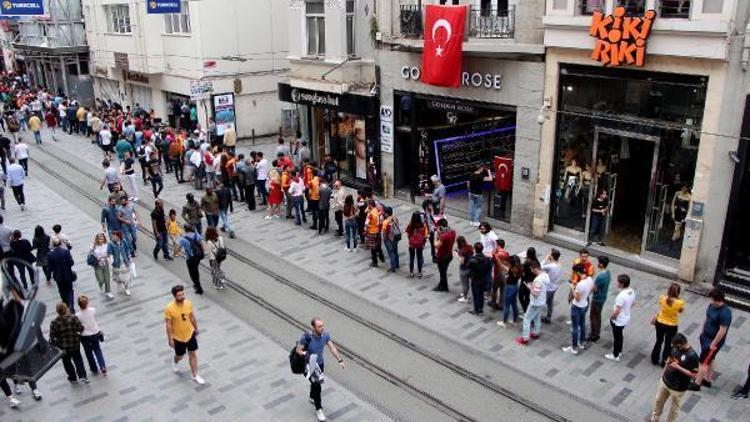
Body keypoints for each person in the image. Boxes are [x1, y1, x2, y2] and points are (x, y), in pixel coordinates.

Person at [295, 317, 345, 422]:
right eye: (319, 326)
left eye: (323, 325)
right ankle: (319, 409)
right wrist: (307, 355)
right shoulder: (306, 337)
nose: (322, 328)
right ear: (313, 327)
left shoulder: (325, 335)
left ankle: (312, 397)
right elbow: (298, 350)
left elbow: (332, 348)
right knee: (317, 387)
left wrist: (340, 360)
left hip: (320, 365)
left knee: (315, 384)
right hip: (310, 365)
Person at [649, 333, 698, 422]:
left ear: (681, 344)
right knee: (658, 401)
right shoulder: (675, 349)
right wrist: (663, 373)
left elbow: (694, 375)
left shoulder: (692, 356)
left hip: (678, 387)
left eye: (676, 346)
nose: (675, 348)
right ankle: (654, 419)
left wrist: (678, 367)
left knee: (674, 408)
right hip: (666, 381)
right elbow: (669, 360)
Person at [690, 288, 732, 391]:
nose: (711, 301)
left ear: (718, 300)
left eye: (712, 299)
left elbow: (722, 331)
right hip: (705, 337)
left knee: (703, 362)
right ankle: (708, 380)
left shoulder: (725, 313)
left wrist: (713, 344)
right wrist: (702, 331)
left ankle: (697, 383)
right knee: (710, 359)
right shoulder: (711, 306)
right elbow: (707, 318)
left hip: (713, 341)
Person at [165, 285, 205, 385]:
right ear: (175, 296)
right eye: (179, 295)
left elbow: (191, 317)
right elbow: (168, 325)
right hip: (178, 337)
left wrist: (196, 328)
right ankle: (175, 361)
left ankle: (195, 375)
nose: (182, 297)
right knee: (180, 355)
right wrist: (170, 339)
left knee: (192, 353)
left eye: (183, 294)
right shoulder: (169, 308)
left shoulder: (188, 303)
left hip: (189, 333)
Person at [49, 302, 88, 384]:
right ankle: (82, 376)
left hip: (62, 347)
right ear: (66, 309)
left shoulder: (54, 322)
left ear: (57, 311)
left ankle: (72, 377)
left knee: (67, 363)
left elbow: (52, 336)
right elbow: (80, 329)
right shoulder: (73, 318)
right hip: (74, 343)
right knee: (78, 360)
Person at [562, 263, 594, 355]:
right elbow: (590, 290)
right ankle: (582, 342)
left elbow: (577, 298)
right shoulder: (590, 279)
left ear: (578, 272)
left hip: (577, 306)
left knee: (575, 327)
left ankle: (574, 347)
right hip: (585, 304)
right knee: (582, 323)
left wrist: (572, 288)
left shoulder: (580, 285)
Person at [651, 283, 684, 366]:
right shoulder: (680, 302)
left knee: (659, 340)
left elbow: (661, 306)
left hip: (660, 322)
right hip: (672, 325)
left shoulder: (662, 298)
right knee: (668, 343)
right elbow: (680, 311)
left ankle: (654, 359)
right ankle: (664, 361)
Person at [604, 274, 635, 362]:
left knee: (617, 337)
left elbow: (617, 311)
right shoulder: (631, 291)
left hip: (619, 320)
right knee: (620, 335)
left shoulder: (621, 296)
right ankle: (619, 351)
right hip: (626, 317)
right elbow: (633, 303)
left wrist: (612, 317)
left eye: (617, 282)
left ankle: (615, 355)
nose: (616, 283)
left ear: (621, 284)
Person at [517, 260, 548, 345]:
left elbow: (536, 294)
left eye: (531, 269)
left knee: (527, 319)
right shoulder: (545, 275)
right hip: (542, 301)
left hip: (535, 302)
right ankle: (536, 333)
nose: (531, 271)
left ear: (535, 268)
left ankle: (525, 338)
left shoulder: (538, 280)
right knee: (537, 317)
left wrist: (530, 287)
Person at [75, 295, 107, 376]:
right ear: (87, 303)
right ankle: (102, 366)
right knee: (97, 350)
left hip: (84, 336)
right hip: (95, 333)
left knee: (88, 352)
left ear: (79, 305)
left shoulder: (77, 315)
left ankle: (93, 368)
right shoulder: (92, 310)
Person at [48, 238, 77, 311]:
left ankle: (66, 304)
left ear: (53, 245)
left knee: (61, 290)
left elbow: (50, 267)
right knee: (70, 290)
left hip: (58, 276)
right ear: (60, 243)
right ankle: (71, 305)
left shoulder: (50, 254)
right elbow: (71, 263)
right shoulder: (66, 252)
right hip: (68, 274)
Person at [588, 256, 611, 342]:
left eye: (598, 262)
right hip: (603, 297)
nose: (597, 264)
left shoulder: (600, 277)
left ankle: (594, 335)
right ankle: (597, 332)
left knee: (593, 316)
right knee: (598, 316)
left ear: (601, 264)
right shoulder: (608, 273)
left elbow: (595, 288)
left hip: (597, 299)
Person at [467, 242, 492, 316]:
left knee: (475, 294)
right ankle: (481, 308)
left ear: (475, 249)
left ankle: (476, 309)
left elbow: (469, 267)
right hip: (483, 279)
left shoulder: (472, 260)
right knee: (481, 294)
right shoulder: (487, 259)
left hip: (475, 279)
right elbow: (488, 269)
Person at [180, 224, 205, 295]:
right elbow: (201, 244)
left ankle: (198, 287)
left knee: (192, 273)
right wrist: (203, 253)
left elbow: (178, 249)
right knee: (195, 270)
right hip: (197, 256)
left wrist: (175, 253)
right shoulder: (195, 234)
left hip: (190, 258)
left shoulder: (183, 238)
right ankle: (197, 284)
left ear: (185, 229)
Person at [498, 256, 522, 328]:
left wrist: (498, 259)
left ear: (512, 264)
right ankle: (514, 321)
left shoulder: (511, 270)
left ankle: (504, 322)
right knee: (514, 304)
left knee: (507, 305)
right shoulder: (519, 268)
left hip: (509, 288)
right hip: (515, 287)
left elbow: (502, 266)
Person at [107, 230, 133, 297]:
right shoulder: (110, 244)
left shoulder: (123, 241)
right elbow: (109, 252)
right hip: (116, 263)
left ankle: (127, 288)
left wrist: (129, 258)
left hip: (124, 262)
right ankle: (119, 284)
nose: (113, 238)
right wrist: (110, 258)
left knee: (126, 276)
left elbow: (127, 250)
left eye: (115, 236)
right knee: (118, 276)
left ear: (119, 237)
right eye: (112, 236)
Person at [433, 218, 456, 292]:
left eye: (438, 226)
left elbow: (436, 245)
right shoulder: (452, 231)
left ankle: (443, 287)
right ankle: (443, 285)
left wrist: (436, 236)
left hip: (442, 256)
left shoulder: (444, 235)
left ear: (441, 226)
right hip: (449, 254)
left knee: (442, 272)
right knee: (443, 272)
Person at [541, 249, 562, 324]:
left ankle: (535, 318)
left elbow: (540, 266)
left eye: (550, 254)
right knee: (550, 303)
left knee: (541, 303)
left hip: (548, 288)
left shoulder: (550, 266)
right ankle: (548, 317)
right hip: (554, 287)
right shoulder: (559, 264)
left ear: (552, 257)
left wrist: (545, 258)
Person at [89, 232, 113, 299]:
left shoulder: (106, 245)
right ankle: (100, 284)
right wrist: (97, 257)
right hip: (97, 264)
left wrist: (107, 256)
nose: (101, 240)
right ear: (97, 239)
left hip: (105, 263)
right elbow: (90, 254)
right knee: (101, 279)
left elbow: (109, 253)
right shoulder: (93, 245)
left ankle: (108, 292)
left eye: (102, 239)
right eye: (100, 239)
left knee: (107, 279)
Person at [405, 211, 428, 278]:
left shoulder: (411, 225)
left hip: (412, 244)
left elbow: (408, 233)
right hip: (419, 244)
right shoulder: (422, 225)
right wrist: (423, 243)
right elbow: (425, 236)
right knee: (419, 257)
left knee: (411, 258)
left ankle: (411, 272)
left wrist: (410, 240)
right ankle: (420, 272)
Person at [382, 207, 400, 272]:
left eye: (385, 213)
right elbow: (397, 225)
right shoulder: (395, 218)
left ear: (387, 214)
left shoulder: (385, 222)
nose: (384, 213)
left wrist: (384, 239)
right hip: (396, 237)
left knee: (391, 253)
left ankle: (393, 267)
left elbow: (384, 232)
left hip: (389, 239)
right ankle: (397, 264)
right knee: (395, 251)